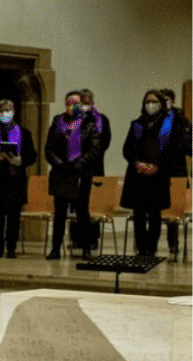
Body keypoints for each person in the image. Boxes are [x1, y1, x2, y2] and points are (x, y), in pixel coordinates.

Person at [119, 90, 184, 257]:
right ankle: (141, 248)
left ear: (161, 104)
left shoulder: (170, 126)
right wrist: (137, 163)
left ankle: (151, 247)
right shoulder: (136, 124)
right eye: (147, 101)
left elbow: (174, 151)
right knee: (139, 214)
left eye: (154, 101)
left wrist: (157, 167)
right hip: (138, 176)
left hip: (158, 176)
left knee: (155, 214)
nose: (150, 104)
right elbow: (127, 149)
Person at [0, 99, 38, 258]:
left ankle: (11, 248)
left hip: (15, 181)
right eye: (2, 110)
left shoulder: (24, 133)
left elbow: (32, 156)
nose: (5, 113)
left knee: (13, 218)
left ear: (13, 111)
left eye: (8, 110)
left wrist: (21, 161)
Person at [44, 90, 101, 259]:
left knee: (82, 212)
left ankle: (86, 248)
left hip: (81, 174)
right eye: (69, 102)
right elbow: (49, 149)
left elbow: (94, 150)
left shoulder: (89, 124)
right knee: (60, 213)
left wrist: (77, 164)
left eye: (76, 102)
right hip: (61, 173)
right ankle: (55, 249)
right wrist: (60, 164)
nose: (72, 106)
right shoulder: (57, 122)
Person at [72, 89, 111, 251]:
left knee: (93, 205)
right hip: (76, 167)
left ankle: (92, 238)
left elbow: (105, 142)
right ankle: (76, 239)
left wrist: (89, 153)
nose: (86, 104)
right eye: (83, 101)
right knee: (76, 205)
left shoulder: (102, 120)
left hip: (95, 167)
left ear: (93, 102)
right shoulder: (72, 119)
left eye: (88, 101)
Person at [160, 88, 192, 254]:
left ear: (172, 101)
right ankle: (150, 245)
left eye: (167, 99)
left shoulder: (182, 120)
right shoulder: (153, 119)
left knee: (174, 210)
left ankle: (173, 243)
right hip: (159, 168)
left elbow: (189, 147)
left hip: (177, 169)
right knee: (156, 207)